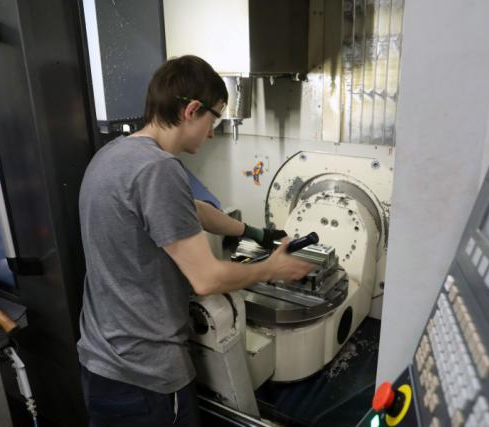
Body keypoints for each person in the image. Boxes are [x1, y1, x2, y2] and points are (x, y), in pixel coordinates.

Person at [77, 55, 314, 427]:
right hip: (146, 377)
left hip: (101, 361)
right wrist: (272, 268)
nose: (212, 133)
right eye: (214, 119)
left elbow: (193, 209)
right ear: (191, 110)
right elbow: (206, 279)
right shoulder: (159, 169)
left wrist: (255, 233)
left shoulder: (115, 155)